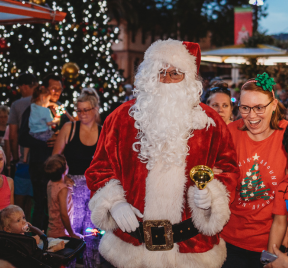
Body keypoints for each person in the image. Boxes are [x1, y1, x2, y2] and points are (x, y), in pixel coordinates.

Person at [85, 39, 239, 268]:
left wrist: (213, 196)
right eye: (160, 72)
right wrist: (114, 202)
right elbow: (99, 168)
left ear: (188, 78)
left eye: (175, 73)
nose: (166, 79)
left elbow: (229, 169)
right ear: (148, 75)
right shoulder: (120, 119)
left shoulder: (210, 123)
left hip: (190, 252)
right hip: (129, 250)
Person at [220, 72, 288, 268]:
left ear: (273, 105)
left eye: (259, 108)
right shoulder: (229, 133)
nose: (251, 116)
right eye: (245, 108)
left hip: (272, 244)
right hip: (229, 241)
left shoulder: (286, 135)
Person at [52, 87, 102, 268]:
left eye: (85, 110)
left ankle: (92, 264)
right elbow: (55, 158)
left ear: (95, 109)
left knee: (93, 233)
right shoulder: (69, 128)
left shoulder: (103, 132)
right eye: (78, 110)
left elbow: (107, 162)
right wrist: (63, 177)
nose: (81, 114)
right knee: (71, 233)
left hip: (95, 190)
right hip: (73, 189)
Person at [18, 73, 71, 230]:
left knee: (60, 203)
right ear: (45, 89)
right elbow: (22, 137)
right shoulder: (34, 109)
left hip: (60, 167)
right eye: (53, 88)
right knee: (41, 203)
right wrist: (45, 141)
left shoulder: (61, 110)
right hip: (40, 163)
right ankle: (38, 239)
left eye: (59, 89)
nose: (56, 92)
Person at [8, 73, 37, 225]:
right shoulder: (48, 103)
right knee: (35, 199)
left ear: (24, 86)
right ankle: (32, 229)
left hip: (23, 160)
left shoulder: (17, 105)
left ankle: (17, 230)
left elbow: (13, 134)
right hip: (40, 158)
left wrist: (14, 157)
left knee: (19, 196)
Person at [0, 205, 66, 252]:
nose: (24, 221)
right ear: (8, 229)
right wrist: (34, 239)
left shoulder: (18, 234)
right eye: (18, 220)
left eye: (23, 218)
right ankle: (52, 250)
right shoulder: (13, 240)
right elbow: (27, 246)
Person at [44, 154, 82, 239]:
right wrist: (72, 234)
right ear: (65, 171)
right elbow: (64, 214)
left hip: (51, 231)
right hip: (61, 234)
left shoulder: (50, 183)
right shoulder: (63, 190)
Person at [22, 85, 60, 163]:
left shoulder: (32, 107)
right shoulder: (46, 111)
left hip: (33, 133)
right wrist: (56, 120)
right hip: (44, 137)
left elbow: (39, 105)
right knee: (56, 135)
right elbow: (50, 123)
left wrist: (50, 104)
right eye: (48, 99)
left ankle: (25, 157)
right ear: (43, 98)